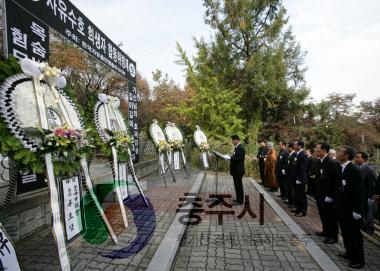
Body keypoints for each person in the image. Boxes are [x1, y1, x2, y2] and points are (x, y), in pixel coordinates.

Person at [336, 147, 364, 269]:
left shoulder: (354, 170)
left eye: (339, 152)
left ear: (346, 156)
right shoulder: (341, 167)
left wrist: (357, 211)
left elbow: (358, 192)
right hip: (343, 208)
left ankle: (358, 259)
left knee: (354, 235)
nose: (337, 154)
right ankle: (349, 253)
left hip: (352, 209)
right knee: (346, 232)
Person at [315, 143, 339, 244]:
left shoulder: (331, 163)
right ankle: (325, 231)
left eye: (318, 149)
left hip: (328, 195)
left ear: (324, 150)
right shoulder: (319, 161)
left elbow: (333, 181)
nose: (316, 151)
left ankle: (333, 236)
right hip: (320, 193)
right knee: (323, 214)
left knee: (330, 216)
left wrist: (330, 196)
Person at [355, 151, 378, 235]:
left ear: (364, 159)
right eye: (355, 157)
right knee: (362, 213)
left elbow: (372, 185)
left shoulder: (369, 170)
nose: (356, 159)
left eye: (358, 157)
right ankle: (362, 226)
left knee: (368, 214)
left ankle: (369, 229)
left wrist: (371, 197)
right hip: (359, 196)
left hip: (367, 196)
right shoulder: (356, 167)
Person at [293, 140, 309, 217]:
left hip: (301, 179)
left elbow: (303, 169)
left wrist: (299, 179)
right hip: (296, 178)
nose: (294, 146)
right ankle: (298, 208)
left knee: (302, 196)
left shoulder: (303, 155)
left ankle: (303, 211)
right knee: (297, 195)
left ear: (299, 146)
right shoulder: (297, 154)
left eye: (295, 145)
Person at [230, 135, 246, 205]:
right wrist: (232, 157)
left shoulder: (241, 148)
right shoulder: (237, 147)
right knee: (237, 185)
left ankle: (240, 201)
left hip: (238, 170)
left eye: (233, 140)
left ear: (236, 140)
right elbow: (236, 156)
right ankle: (238, 199)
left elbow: (239, 159)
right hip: (236, 170)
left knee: (239, 185)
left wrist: (231, 158)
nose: (232, 142)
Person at [286, 141, 297, 207]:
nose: (287, 149)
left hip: (292, 175)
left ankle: (293, 202)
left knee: (292, 189)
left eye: (288, 147)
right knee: (289, 188)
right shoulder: (290, 155)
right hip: (288, 174)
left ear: (291, 148)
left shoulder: (294, 155)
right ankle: (290, 200)